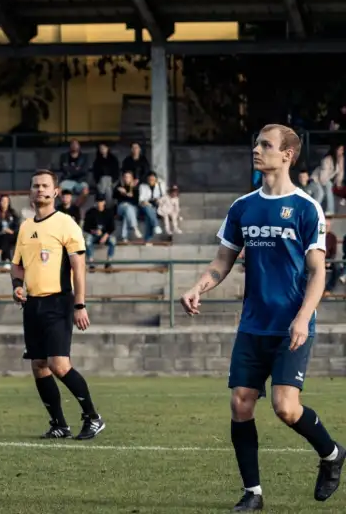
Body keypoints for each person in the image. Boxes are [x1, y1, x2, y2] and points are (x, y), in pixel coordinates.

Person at [180, 124, 344, 512]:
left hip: (291, 324)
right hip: (253, 323)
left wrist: (304, 317)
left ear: (287, 154)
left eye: (266, 145)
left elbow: (318, 271)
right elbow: (222, 263)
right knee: (241, 403)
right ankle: (253, 493)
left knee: (286, 408)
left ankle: (333, 453)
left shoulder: (306, 207)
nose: (257, 149)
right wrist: (196, 287)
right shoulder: (242, 207)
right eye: (257, 143)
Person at [11, 169, 104, 440]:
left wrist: (80, 304)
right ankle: (59, 424)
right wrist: (17, 286)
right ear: (30, 193)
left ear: (54, 192)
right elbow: (16, 266)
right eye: (35, 186)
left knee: (59, 365)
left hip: (59, 302)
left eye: (44, 186)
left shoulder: (66, 223)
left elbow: (79, 266)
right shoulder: (26, 227)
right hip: (33, 305)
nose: (39, 189)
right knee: (39, 365)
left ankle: (93, 417)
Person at [83, 198, 117, 268]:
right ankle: (91, 262)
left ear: (104, 202)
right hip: (93, 235)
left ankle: (108, 262)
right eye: (98, 201)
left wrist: (105, 236)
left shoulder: (109, 212)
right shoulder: (90, 212)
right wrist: (94, 231)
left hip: (105, 235)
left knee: (113, 240)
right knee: (87, 240)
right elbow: (85, 227)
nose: (99, 203)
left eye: (101, 201)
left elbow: (112, 227)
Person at [57, 140, 90, 206]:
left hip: (80, 180)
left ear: (79, 146)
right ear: (70, 146)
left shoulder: (84, 157)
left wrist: (70, 169)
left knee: (85, 191)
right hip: (67, 179)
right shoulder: (64, 156)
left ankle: (75, 208)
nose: (74, 146)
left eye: (76, 144)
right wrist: (76, 169)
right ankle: (66, 206)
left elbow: (84, 170)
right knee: (58, 190)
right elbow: (63, 169)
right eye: (72, 144)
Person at [0, 194, 20, 269]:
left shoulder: (13, 213)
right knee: (5, 237)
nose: (4, 203)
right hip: (1, 236)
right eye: (2, 201)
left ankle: (0, 253)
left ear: (9, 202)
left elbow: (17, 226)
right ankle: (7, 260)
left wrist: (12, 231)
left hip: (13, 235)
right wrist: (2, 231)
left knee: (7, 236)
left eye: (6, 201)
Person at [114, 170, 141, 240]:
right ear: (123, 178)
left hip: (133, 208)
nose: (127, 179)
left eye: (129, 177)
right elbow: (113, 196)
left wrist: (129, 192)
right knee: (127, 208)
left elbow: (136, 201)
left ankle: (124, 237)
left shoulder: (136, 187)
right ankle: (135, 227)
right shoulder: (120, 186)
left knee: (127, 212)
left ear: (132, 178)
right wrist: (118, 190)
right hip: (121, 208)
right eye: (125, 177)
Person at [138, 171, 165, 242]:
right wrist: (146, 202)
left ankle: (147, 239)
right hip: (145, 205)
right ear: (147, 179)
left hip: (157, 206)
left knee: (149, 215)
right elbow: (141, 199)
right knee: (148, 209)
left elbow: (164, 197)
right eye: (150, 179)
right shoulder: (142, 186)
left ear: (156, 179)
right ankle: (156, 225)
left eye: (153, 179)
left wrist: (158, 200)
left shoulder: (161, 185)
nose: (151, 181)